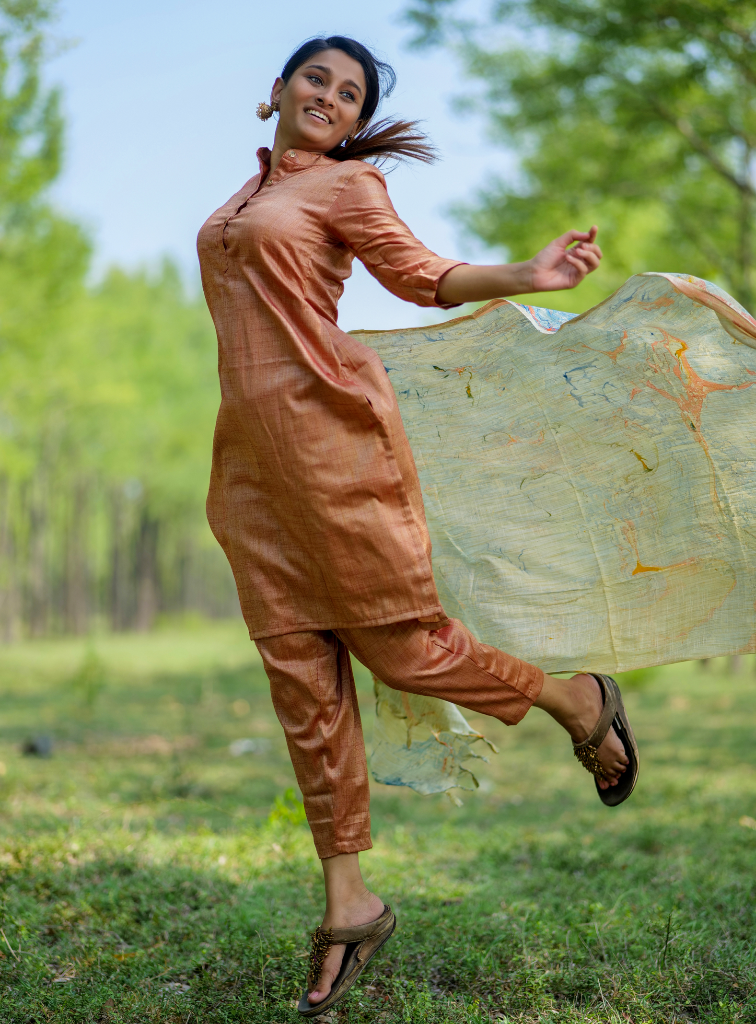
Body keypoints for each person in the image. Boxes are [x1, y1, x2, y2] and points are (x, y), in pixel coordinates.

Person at [196, 35, 638, 1017]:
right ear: (276, 90)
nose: (328, 96)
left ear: (356, 120)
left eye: (349, 93)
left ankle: (575, 701)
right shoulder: (239, 198)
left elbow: (417, 273)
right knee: (300, 676)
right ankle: (348, 902)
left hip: (334, 442)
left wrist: (525, 274)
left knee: (406, 648)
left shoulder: (347, 186)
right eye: (315, 78)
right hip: (251, 467)